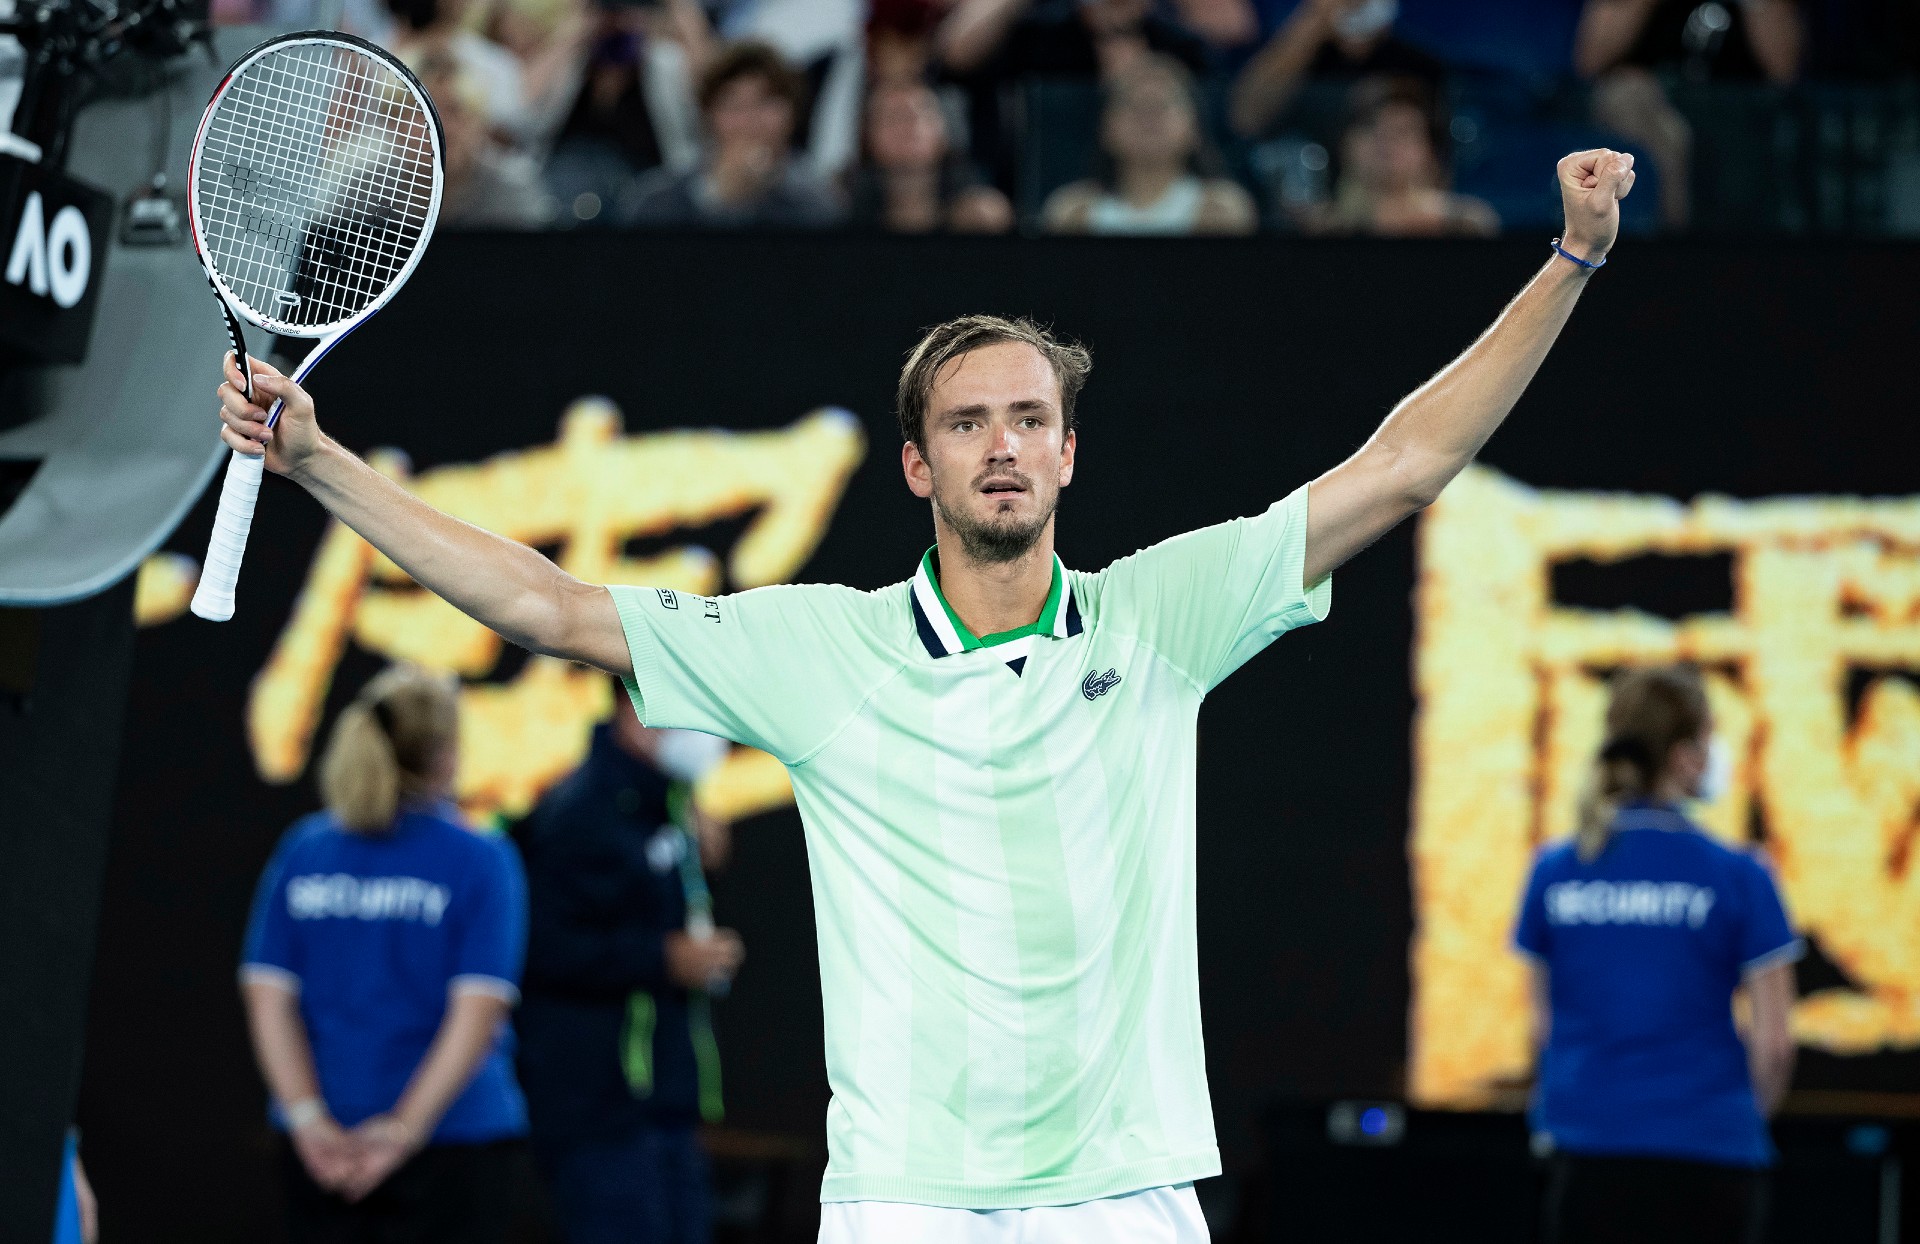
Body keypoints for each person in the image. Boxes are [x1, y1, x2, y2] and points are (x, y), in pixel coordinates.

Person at [212, 145, 1636, 1243]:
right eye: (968, 424)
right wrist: (324, 465)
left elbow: (1402, 467)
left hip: (1124, 1192)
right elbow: (548, 604)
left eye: (1029, 420)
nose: (1001, 447)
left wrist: (1571, 261)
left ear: (1070, 455)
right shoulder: (822, 650)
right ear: (920, 467)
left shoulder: (1160, 618)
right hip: (906, 1197)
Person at [240, 666, 531, 1244]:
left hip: (323, 1149)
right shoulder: (480, 858)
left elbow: (268, 996)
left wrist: (308, 1120)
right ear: (446, 754)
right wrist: (401, 1132)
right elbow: (477, 1013)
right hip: (452, 1144)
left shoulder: (306, 849)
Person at [1516, 664, 1800, 1244]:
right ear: (1685, 755)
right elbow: (1774, 1044)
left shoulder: (1554, 871)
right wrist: (1732, 1122)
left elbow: (1542, 1029)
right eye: (1709, 738)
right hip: (1711, 1160)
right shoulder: (1740, 875)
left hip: (1587, 1156)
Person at [516, 687, 744, 1244]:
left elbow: (645, 903)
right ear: (632, 712)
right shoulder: (577, 813)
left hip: (665, 1101)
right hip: (599, 1106)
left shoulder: (668, 804)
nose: (704, 734)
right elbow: (542, 949)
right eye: (690, 714)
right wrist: (663, 959)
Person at [1576, 0, 1803, 231]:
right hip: (1651, 111)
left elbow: (1784, 71)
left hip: (1737, 119)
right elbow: (1589, 61)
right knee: (1629, 97)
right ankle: (1674, 243)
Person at [626, 40, 843, 229]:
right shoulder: (657, 201)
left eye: (765, 102)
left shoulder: (819, 201)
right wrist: (718, 196)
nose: (750, 119)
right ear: (709, 116)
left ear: (792, 112)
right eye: (734, 105)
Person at [1043, 53, 1256, 235]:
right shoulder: (1071, 213)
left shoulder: (1221, 210)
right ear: (1106, 129)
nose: (1148, 117)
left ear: (1195, 128)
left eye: (1162, 104)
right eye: (1133, 104)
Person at [1303, 77, 1498, 237]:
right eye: (1371, 127)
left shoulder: (1465, 224)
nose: (1386, 141)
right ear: (1343, 144)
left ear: (1430, 151)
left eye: (1404, 131)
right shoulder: (1317, 229)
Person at [1229, 0, 1443, 139]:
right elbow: (1245, 119)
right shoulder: (1300, 59)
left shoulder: (1422, 66)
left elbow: (1441, 161)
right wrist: (1311, 23)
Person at [850, 80, 1014, 233]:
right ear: (867, 137)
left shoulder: (976, 217)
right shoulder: (843, 212)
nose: (907, 127)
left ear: (944, 132)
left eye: (919, 114)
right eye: (893, 116)